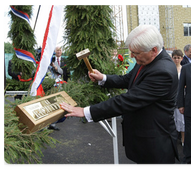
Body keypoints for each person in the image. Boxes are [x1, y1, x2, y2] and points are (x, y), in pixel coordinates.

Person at [60, 25, 179, 164]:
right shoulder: (147, 58)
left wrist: (86, 111)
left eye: (136, 53)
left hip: (155, 143)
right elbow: (129, 79)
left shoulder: (162, 71)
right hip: (143, 138)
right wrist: (104, 78)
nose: (133, 56)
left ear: (153, 50)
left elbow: (128, 100)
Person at [172, 49, 185, 146]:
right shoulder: (170, 69)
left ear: (182, 58)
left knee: (181, 119)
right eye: (175, 58)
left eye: (178, 58)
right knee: (172, 118)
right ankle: (173, 138)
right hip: (172, 96)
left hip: (182, 96)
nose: (176, 59)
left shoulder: (184, 69)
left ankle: (183, 139)